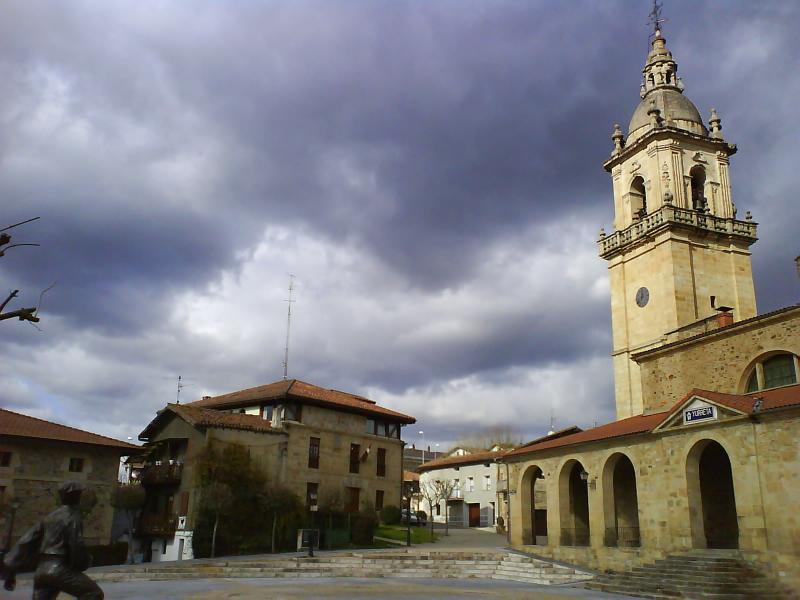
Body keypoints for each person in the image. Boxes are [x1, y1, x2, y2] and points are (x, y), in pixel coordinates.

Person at [2, 480, 103, 599]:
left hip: (42, 571)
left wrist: (10, 571)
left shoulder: (49, 518)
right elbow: (76, 545)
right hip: (59, 569)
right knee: (93, 593)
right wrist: (83, 563)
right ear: (77, 496)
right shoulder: (73, 516)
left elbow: (25, 542)